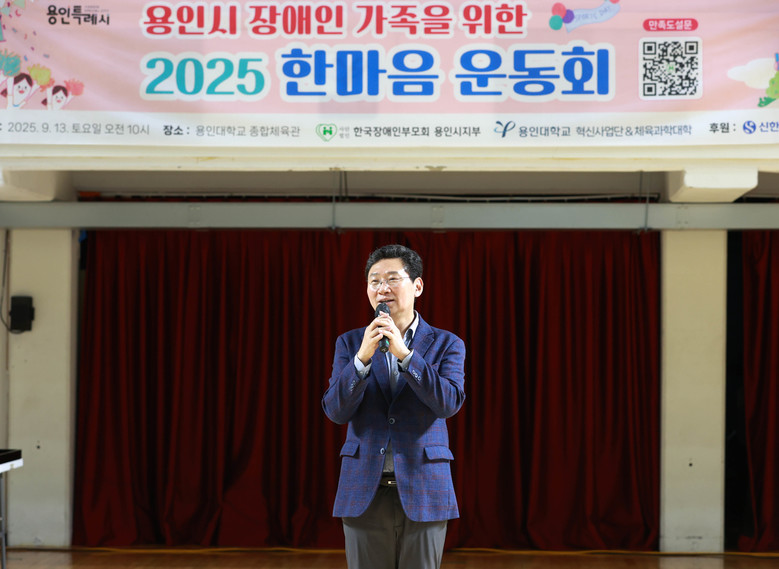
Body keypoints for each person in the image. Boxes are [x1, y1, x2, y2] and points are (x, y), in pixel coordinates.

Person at [322, 244, 466, 569]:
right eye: (374, 281)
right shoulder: (350, 343)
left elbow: (448, 403)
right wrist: (361, 360)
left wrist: (407, 356)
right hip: (364, 490)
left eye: (391, 279)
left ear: (417, 286)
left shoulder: (447, 343)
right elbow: (335, 411)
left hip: (425, 487)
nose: (382, 288)